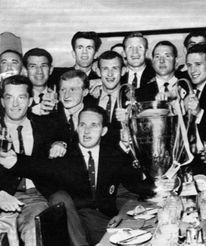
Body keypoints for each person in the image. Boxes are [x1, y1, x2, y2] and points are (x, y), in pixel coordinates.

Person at [0, 105, 155, 245]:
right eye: (82, 125)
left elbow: (135, 185)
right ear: (77, 128)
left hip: (107, 221)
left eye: (94, 125)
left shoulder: (112, 155)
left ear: (104, 131)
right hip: (76, 224)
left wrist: (164, 185)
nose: (86, 131)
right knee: (59, 197)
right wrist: (13, 160)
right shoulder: (64, 156)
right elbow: (37, 166)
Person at [0, 75, 66, 246]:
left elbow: (53, 169)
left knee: (35, 231)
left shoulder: (47, 128)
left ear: (30, 101)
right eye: (9, 98)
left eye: (21, 98)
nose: (15, 104)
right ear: (2, 101)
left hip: (33, 198)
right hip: (1, 194)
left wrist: (61, 143)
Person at [53, 69, 93, 144]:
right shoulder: (51, 116)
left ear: (85, 92)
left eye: (72, 90)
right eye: (63, 90)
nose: (66, 95)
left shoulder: (94, 115)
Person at [23, 48, 57, 115]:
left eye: (44, 66)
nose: (39, 71)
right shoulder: (19, 99)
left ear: (51, 70)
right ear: (25, 71)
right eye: (33, 66)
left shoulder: (61, 96)